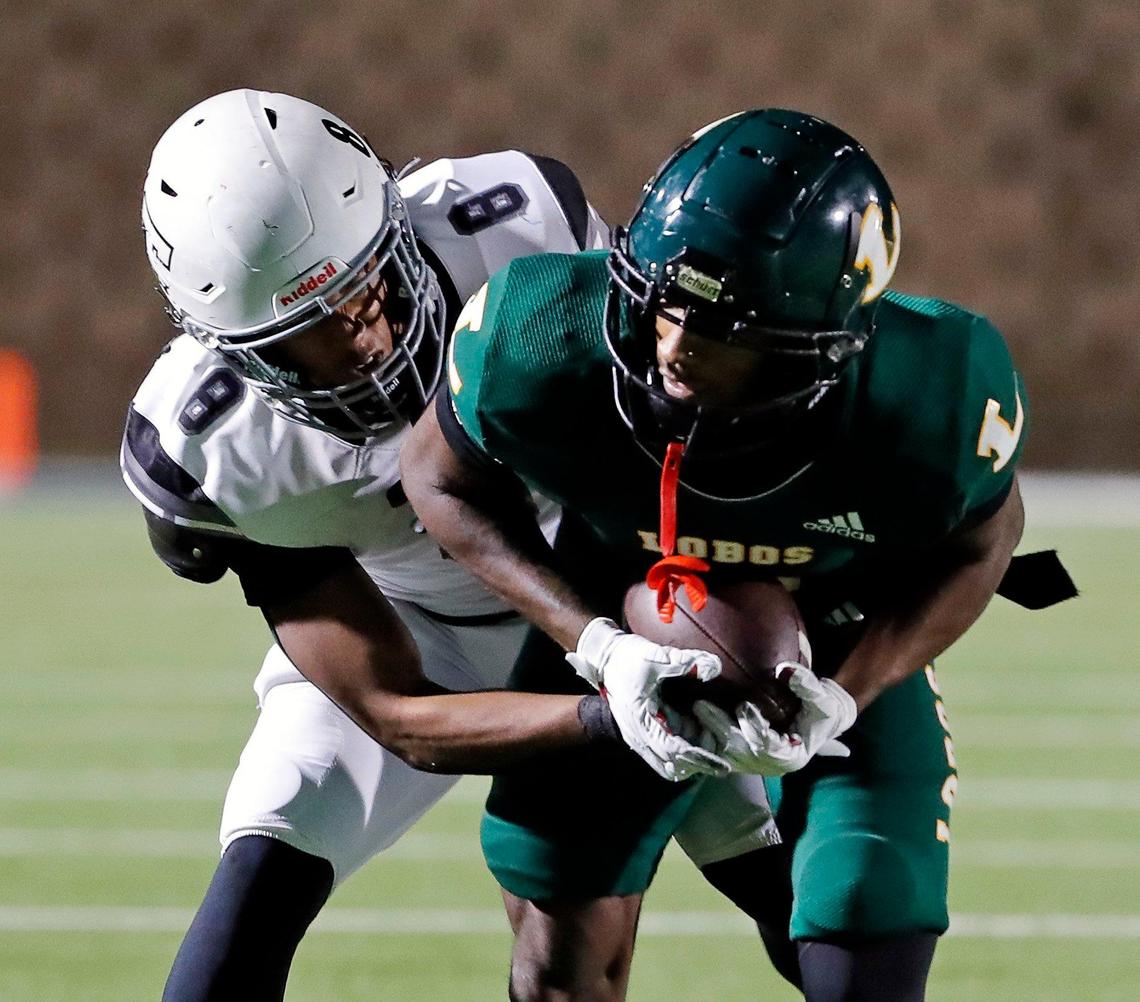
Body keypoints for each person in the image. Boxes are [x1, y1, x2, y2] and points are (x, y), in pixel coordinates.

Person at [402, 108, 1074, 1001]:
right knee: (555, 917)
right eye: (663, 303)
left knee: (867, 899)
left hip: (839, 626)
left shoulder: (934, 391)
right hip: (622, 603)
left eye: (723, 332)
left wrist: (849, 695)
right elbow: (439, 483)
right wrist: (600, 645)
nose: (673, 346)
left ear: (822, 347)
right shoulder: (538, 332)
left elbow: (986, 546)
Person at [122, 89, 740, 1002]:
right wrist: (612, 713)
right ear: (231, 353)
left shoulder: (521, 226)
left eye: (367, 286)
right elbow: (398, 714)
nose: (365, 341)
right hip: (417, 628)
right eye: (309, 338)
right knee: (256, 887)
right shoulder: (210, 455)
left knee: (790, 881)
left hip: (605, 582)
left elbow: (674, 418)